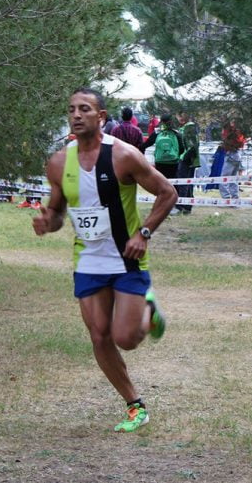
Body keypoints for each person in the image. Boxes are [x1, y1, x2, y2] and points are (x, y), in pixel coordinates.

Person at [32, 88, 176, 432]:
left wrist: (144, 233)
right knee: (99, 336)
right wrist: (46, 223)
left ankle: (148, 310)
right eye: (71, 109)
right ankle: (134, 405)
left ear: (102, 117)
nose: (76, 115)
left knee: (126, 338)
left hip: (125, 258)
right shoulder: (57, 163)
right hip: (88, 261)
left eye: (85, 109)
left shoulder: (124, 155)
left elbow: (167, 192)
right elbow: (57, 213)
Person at [141, 114, 185, 213]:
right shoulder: (176, 133)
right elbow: (182, 148)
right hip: (173, 162)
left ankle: (161, 204)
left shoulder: (157, 132)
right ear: (171, 120)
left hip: (160, 161)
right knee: (174, 182)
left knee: (161, 183)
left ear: (161, 121)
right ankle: (175, 205)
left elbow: (146, 144)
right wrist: (175, 155)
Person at [176, 112, 200, 214]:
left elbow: (192, 146)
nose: (178, 118)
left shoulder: (189, 127)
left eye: (180, 116)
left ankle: (182, 206)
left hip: (188, 160)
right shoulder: (185, 127)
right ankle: (186, 207)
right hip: (189, 159)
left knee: (184, 183)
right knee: (188, 183)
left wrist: (184, 157)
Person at [219, 119, 246, 200]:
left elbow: (228, 144)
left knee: (223, 178)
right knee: (233, 179)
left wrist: (223, 145)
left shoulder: (230, 134)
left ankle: (226, 198)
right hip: (237, 156)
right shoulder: (238, 132)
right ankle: (235, 197)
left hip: (231, 156)